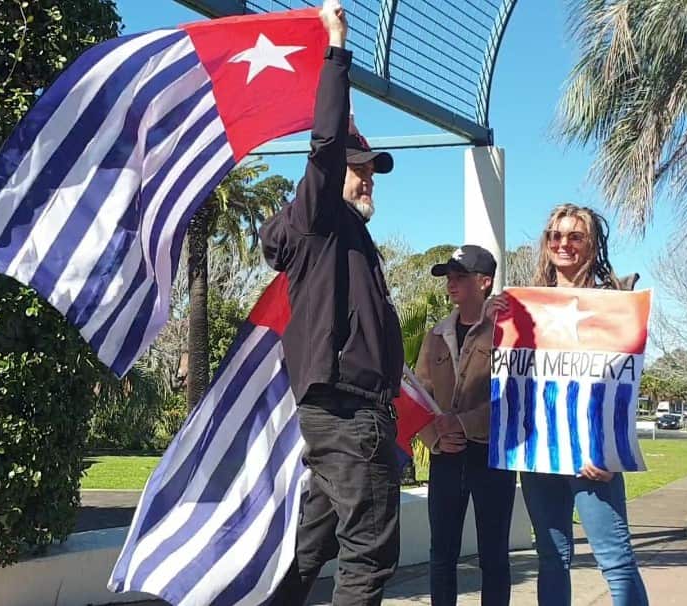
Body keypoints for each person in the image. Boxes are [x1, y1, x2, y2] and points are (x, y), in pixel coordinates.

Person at [260, 2, 404, 604]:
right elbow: (323, 146)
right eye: (357, 167)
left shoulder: (348, 236)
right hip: (348, 416)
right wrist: (337, 48)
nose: (367, 177)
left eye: (371, 169)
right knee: (368, 556)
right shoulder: (319, 220)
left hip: (345, 418)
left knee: (309, 550)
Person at [520, 203, 648, 606]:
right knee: (551, 559)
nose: (564, 244)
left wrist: (610, 452)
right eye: (555, 235)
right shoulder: (527, 307)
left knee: (616, 560)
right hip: (539, 454)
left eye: (575, 236)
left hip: (593, 459)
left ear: (592, 245)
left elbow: (623, 385)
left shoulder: (613, 305)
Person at [414, 244, 516, 606]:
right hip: (446, 457)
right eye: (448, 277)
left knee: (494, 555)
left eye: (460, 277)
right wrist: (434, 439)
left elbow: (512, 396)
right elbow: (419, 393)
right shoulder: (436, 335)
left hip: (491, 457)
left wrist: (461, 422)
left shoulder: (506, 331)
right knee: (441, 553)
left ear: (485, 282)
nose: (451, 283)